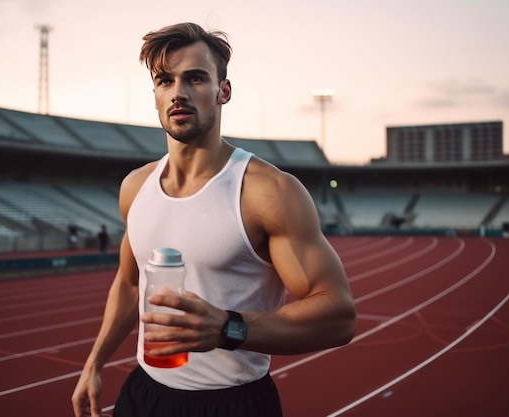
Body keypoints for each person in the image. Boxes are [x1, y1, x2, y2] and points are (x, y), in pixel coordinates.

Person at [72, 22, 356, 417]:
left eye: (195, 78)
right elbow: (129, 282)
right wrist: (95, 363)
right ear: (154, 94)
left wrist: (228, 328)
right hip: (145, 394)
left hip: (232, 401)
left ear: (223, 91)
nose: (179, 93)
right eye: (165, 81)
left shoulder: (267, 191)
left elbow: (339, 316)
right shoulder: (135, 188)